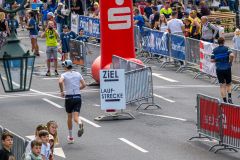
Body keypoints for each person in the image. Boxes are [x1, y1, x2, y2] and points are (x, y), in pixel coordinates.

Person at [59, 60, 86, 143]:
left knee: (69, 117)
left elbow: (60, 81)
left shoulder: (64, 75)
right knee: (76, 117)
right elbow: (84, 85)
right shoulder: (78, 74)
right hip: (78, 96)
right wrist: (78, 89)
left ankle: (70, 137)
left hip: (69, 97)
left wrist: (62, 91)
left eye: (64, 66)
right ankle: (80, 123)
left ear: (66, 67)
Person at [211, 37, 234, 104]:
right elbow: (232, 55)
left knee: (222, 85)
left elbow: (212, 60)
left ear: (218, 42)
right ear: (224, 42)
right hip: (227, 68)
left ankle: (224, 101)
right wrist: (230, 62)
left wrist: (217, 59)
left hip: (219, 69)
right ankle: (229, 97)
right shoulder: (227, 48)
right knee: (228, 84)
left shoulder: (214, 50)